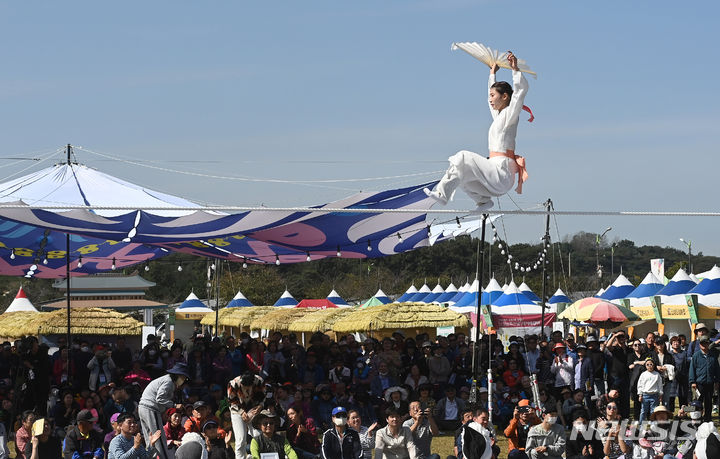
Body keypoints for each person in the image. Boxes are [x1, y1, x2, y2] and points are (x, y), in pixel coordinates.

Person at [424, 51, 530, 211]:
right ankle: (483, 201)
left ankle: (442, 194)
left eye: (493, 95)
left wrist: (515, 70)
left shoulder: (510, 114)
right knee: (461, 174)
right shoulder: (500, 116)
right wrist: (492, 75)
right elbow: (491, 103)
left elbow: (520, 92)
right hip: (494, 174)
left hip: (502, 173)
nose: (490, 99)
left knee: (462, 157)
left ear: (505, 97)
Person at [138, 363, 189, 459]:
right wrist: (174, 405)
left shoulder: (166, 380)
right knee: (159, 437)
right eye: (183, 377)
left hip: (144, 407)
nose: (183, 380)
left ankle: (151, 457)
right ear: (177, 375)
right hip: (151, 408)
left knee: (150, 438)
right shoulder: (168, 382)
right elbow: (159, 398)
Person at [689, 334, 720, 422]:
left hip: (710, 383)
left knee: (708, 402)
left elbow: (717, 369)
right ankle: (696, 418)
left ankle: (707, 419)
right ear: (699, 344)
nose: (704, 345)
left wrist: (717, 381)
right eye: (702, 343)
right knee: (697, 402)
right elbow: (692, 369)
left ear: (708, 344)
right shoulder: (696, 355)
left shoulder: (713, 355)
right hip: (699, 383)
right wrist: (692, 381)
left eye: (706, 343)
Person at [637, 358, 663, 423]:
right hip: (645, 395)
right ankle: (641, 424)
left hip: (654, 395)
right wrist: (640, 395)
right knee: (643, 411)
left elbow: (660, 385)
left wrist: (660, 394)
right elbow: (640, 385)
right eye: (647, 364)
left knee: (653, 411)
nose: (649, 366)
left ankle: (653, 425)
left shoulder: (657, 374)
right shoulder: (643, 374)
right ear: (645, 366)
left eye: (651, 364)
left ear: (654, 365)